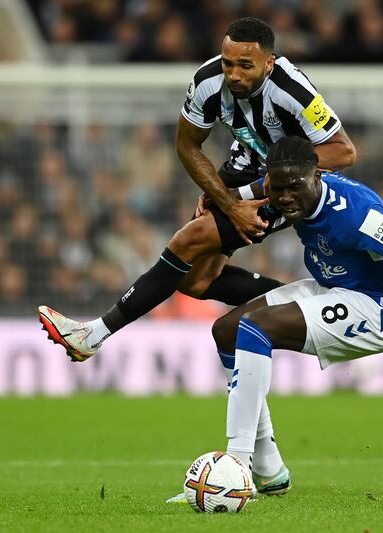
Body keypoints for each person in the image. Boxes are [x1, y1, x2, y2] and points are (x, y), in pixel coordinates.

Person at [38, 17, 355, 360]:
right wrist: (227, 198)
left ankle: (93, 334)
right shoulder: (208, 82)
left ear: (269, 63)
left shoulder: (292, 91)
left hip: (289, 187)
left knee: (188, 241)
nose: (233, 74)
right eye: (228, 63)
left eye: (245, 66)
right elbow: (187, 145)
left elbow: (343, 151)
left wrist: (252, 190)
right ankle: (314, 305)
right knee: (194, 280)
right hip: (244, 163)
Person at [182, 136, 383, 496]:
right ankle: (269, 470)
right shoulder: (279, 184)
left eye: (295, 187)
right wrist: (222, 198)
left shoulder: (358, 216)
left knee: (256, 328)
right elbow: (256, 189)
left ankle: (236, 467)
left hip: (381, 307)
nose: (285, 198)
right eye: (277, 190)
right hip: (334, 286)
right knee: (227, 330)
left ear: (318, 175)